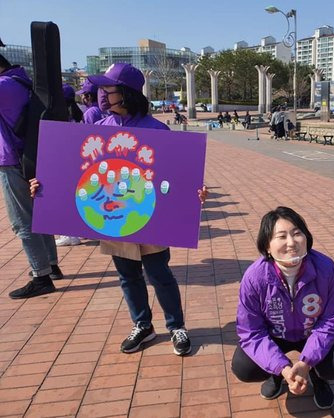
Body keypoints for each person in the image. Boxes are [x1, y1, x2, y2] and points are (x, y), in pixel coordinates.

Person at [86, 63, 207, 355]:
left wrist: (193, 194)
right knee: (127, 275)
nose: (102, 95)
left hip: (151, 217)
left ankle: (176, 325)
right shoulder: (98, 130)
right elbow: (80, 173)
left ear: (126, 93)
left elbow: (177, 174)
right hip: (114, 216)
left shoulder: (156, 129)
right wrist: (45, 187)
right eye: (100, 89)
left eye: (108, 89)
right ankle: (143, 325)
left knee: (159, 274)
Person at [231, 207, 334, 410]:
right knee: (244, 367)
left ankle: (317, 376)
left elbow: (332, 320)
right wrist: (283, 368)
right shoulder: (254, 278)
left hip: (311, 332)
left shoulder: (326, 268)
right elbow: (251, 332)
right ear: (267, 246)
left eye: (297, 233)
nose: (291, 242)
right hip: (275, 335)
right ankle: (277, 375)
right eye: (281, 236)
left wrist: (306, 363)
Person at [0, 52, 63, 299]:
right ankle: (50, 264)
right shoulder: (22, 82)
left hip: (13, 161)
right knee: (39, 216)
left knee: (22, 221)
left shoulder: (3, 86)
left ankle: (41, 276)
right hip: (31, 157)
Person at [55, 84, 84, 247]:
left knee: (65, 199)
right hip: (79, 161)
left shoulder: (58, 115)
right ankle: (76, 231)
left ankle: (69, 234)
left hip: (64, 163)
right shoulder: (81, 110)